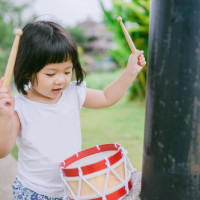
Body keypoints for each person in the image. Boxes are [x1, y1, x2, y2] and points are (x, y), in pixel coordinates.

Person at [0, 21, 146, 199]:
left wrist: (130, 71)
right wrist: (3, 116)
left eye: (67, 72)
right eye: (51, 74)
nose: (60, 80)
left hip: (74, 187)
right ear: (28, 70)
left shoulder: (73, 93)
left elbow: (107, 97)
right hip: (34, 192)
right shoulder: (20, 107)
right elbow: (3, 151)